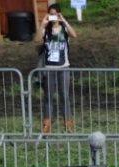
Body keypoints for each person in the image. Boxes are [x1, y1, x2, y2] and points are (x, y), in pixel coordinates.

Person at [38, 4, 77, 134]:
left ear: (59, 14)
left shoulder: (63, 29)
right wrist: (43, 24)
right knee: (48, 97)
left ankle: (68, 125)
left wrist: (64, 21)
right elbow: (37, 39)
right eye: (51, 14)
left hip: (63, 67)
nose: (53, 17)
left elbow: (74, 35)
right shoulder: (46, 30)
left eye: (55, 14)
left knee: (64, 96)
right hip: (49, 67)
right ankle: (47, 125)